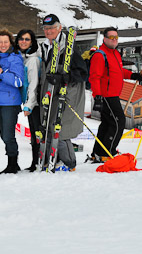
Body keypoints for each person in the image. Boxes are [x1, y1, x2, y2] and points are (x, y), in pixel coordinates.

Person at [38, 14, 87, 171]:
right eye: (46, 28)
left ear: (59, 28)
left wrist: (66, 77)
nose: (49, 31)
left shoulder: (69, 48)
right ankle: (54, 160)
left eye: (52, 28)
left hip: (67, 96)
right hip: (51, 93)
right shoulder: (46, 46)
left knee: (61, 128)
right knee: (51, 128)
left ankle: (69, 163)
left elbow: (83, 73)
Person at [88, 27, 142, 163]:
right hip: (106, 96)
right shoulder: (100, 55)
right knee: (118, 123)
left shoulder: (115, 54)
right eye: (111, 37)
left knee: (107, 124)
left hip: (114, 94)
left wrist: (132, 75)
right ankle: (109, 152)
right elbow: (94, 77)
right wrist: (98, 96)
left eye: (116, 37)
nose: (114, 40)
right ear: (105, 39)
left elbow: (118, 71)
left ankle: (99, 153)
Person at [0, 29, 24, 174]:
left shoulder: (15, 58)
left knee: (7, 135)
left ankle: (13, 163)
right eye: (0, 42)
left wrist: (2, 74)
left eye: (6, 42)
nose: (3, 44)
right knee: (3, 135)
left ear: (10, 43)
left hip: (10, 103)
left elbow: (18, 81)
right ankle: (12, 162)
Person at [14, 29, 41, 171]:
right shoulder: (21, 57)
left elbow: (33, 84)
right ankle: (35, 162)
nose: (23, 42)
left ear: (32, 42)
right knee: (33, 131)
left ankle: (37, 162)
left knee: (36, 132)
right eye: (21, 39)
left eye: (27, 39)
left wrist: (29, 105)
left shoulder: (33, 60)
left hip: (35, 103)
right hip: (28, 101)